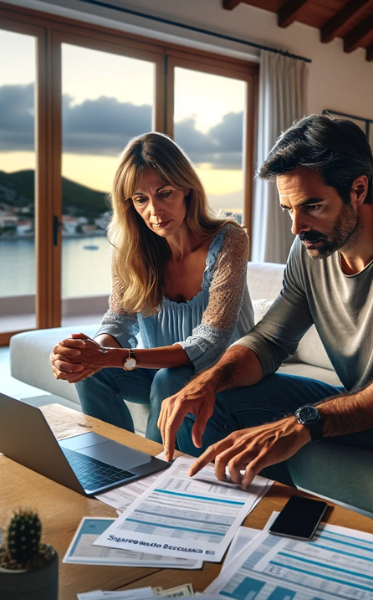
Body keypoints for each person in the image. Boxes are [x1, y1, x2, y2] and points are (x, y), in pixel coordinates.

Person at [157, 115, 373, 545]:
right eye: (289, 209)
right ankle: (254, 538)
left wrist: (305, 422)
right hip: (364, 403)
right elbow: (269, 341)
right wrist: (209, 379)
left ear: (358, 189)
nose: (296, 226)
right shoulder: (310, 250)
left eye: (312, 206)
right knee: (183, 382)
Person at [50, 132, 254, 443]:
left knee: (167, 379)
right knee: (94, 372)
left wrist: (112, 356)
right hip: (163, 373)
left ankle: (152, 474)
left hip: (224, 378)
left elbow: (210, 343)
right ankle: (109, 463)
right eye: (141, 199)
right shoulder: (129, 248)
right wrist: (89, 352)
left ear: (186, 188)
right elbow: (119, 321)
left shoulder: (229, 240)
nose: (154, 211)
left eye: (165, 193)